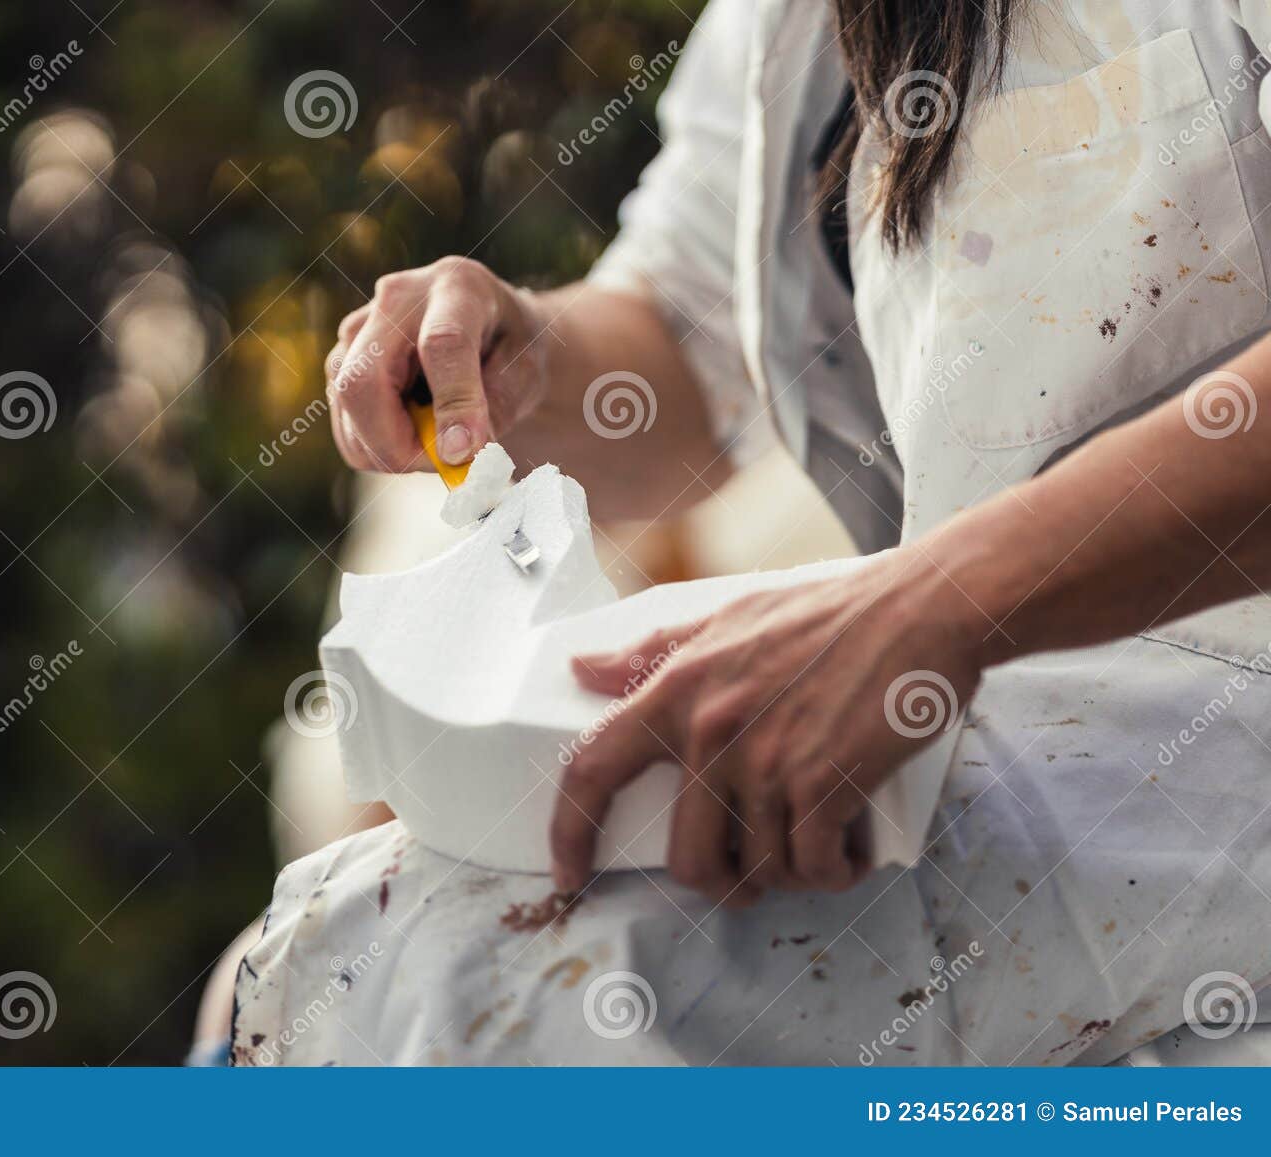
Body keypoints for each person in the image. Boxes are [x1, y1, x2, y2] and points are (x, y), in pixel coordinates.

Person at [224, 0, 1271, 1065]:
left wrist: (937, 602)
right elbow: (683, 336)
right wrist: (522, 353)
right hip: (1013, 689)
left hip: (1218, 698)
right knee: (316, 953)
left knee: (449, 970)